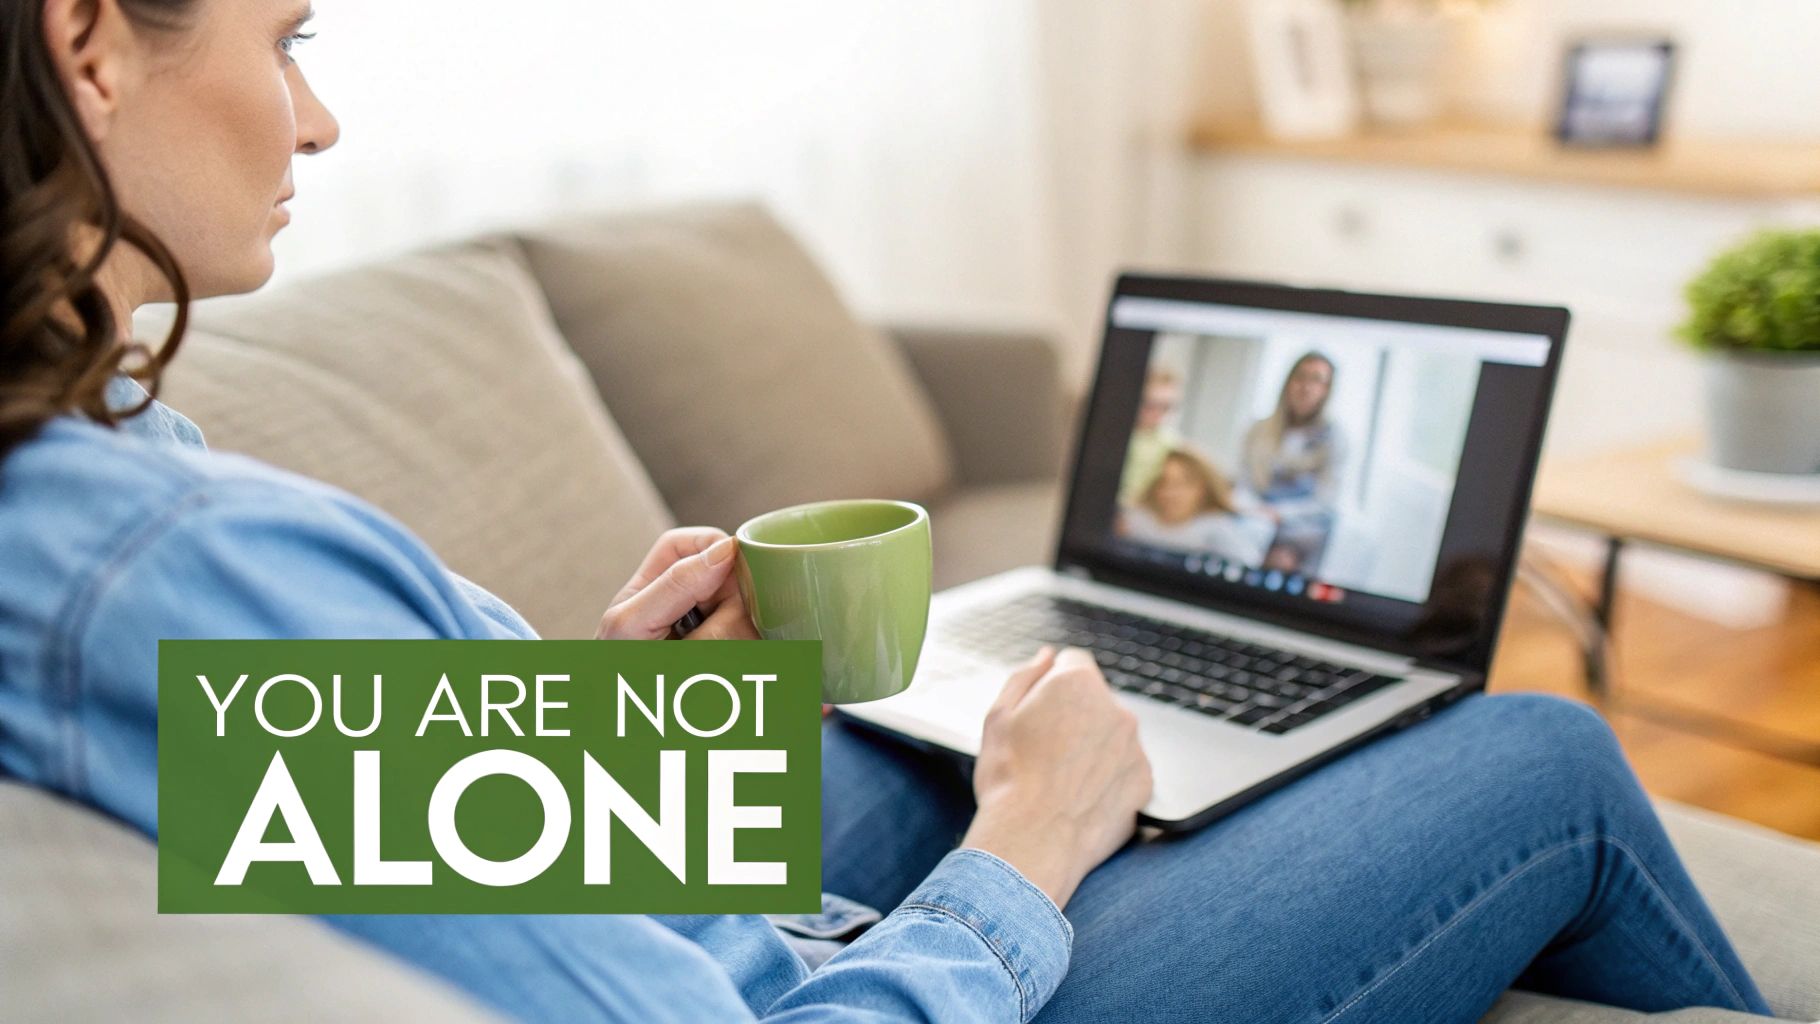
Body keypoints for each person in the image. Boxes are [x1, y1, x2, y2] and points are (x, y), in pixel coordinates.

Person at [0, 2, 1771, 1021]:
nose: (315, 118)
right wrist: (1029, 848)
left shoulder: (95, 459)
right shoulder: (151, 567)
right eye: (286, 37)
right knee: (1536, 749)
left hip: (662, 900)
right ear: (88, 41)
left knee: (906, 722)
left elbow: (333, 806)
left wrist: (598, 716)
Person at [1241, 352, 1345, 575]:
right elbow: (1243, 481)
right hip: (1258, 516)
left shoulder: (1334, 439)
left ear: (1327, 390)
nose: (1306, 387)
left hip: (1303, 525)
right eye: (1301, 377)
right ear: (1288, 382)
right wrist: (1254, 509)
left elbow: (1325, 501)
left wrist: (1280, 514)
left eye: (1317, 380)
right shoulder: (1258, 430)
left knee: (1282, 559)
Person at [1118, 448, 1272, 566]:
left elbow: (1248, 565)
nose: (1170, 493)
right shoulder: (1135, 520)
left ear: (1202, 490)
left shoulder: (1216, 527)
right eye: (1164, 483)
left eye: (1182, 484)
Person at [1116, 368, 1184, 506]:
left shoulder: (1171, 444)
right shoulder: (1110, 432)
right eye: (1150, 405)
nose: (1157, 413)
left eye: (1166, 407)